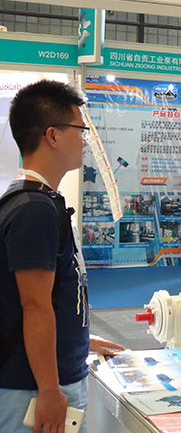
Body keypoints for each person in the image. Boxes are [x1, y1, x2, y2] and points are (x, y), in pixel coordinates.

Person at [0, 80, 124, 433]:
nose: (85, 141)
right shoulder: (33, 209)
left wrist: (80, 341)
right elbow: (34, 306)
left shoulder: (40, 200)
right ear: (52, 136)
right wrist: (49, 390)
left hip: (48, 375)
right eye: (80, 130)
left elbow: (53, 298)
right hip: (31, 388)